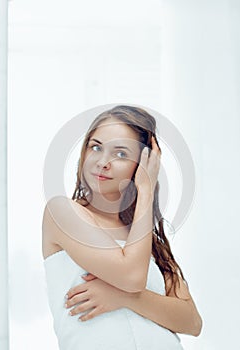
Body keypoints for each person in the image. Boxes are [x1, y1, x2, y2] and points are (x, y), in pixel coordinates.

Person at [42, 105, 202, 350]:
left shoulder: (147, 238)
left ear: (142, 165)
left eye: (120, 154)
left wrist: (124, 298)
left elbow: (191, 322)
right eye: (95, 147)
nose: (103, 162)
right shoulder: (62, 212)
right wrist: (131, 293)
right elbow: (132, 277)